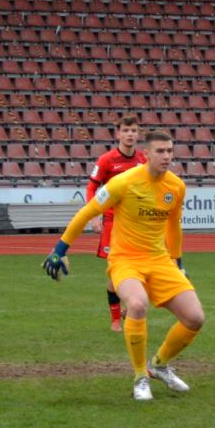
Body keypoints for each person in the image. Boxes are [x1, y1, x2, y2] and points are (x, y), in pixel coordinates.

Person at [42, 131, 202, 402]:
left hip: (160, 260)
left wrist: (178, 262)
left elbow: (174, 225)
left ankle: (159, 365)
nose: (166, 156)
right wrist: (60, 249)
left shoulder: (176, 186)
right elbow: (87, 212)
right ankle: (140, 376)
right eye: (160, 151)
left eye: (169, 151)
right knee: (137, 305)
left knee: (195, 318)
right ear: (146, 154)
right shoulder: (123, 182)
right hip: (125, 259)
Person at [86, 115, 145, 332]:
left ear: (138, 134)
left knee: (142, 268)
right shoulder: (106, 160)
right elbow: (91, 187)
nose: (130, 134)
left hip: (137, 222)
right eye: (126, 130)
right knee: (114, 271)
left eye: (134, 130)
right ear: (118, 133)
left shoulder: (143, 159)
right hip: (112, 223)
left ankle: (130, 306)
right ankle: (115, 320)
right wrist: (94, 215)